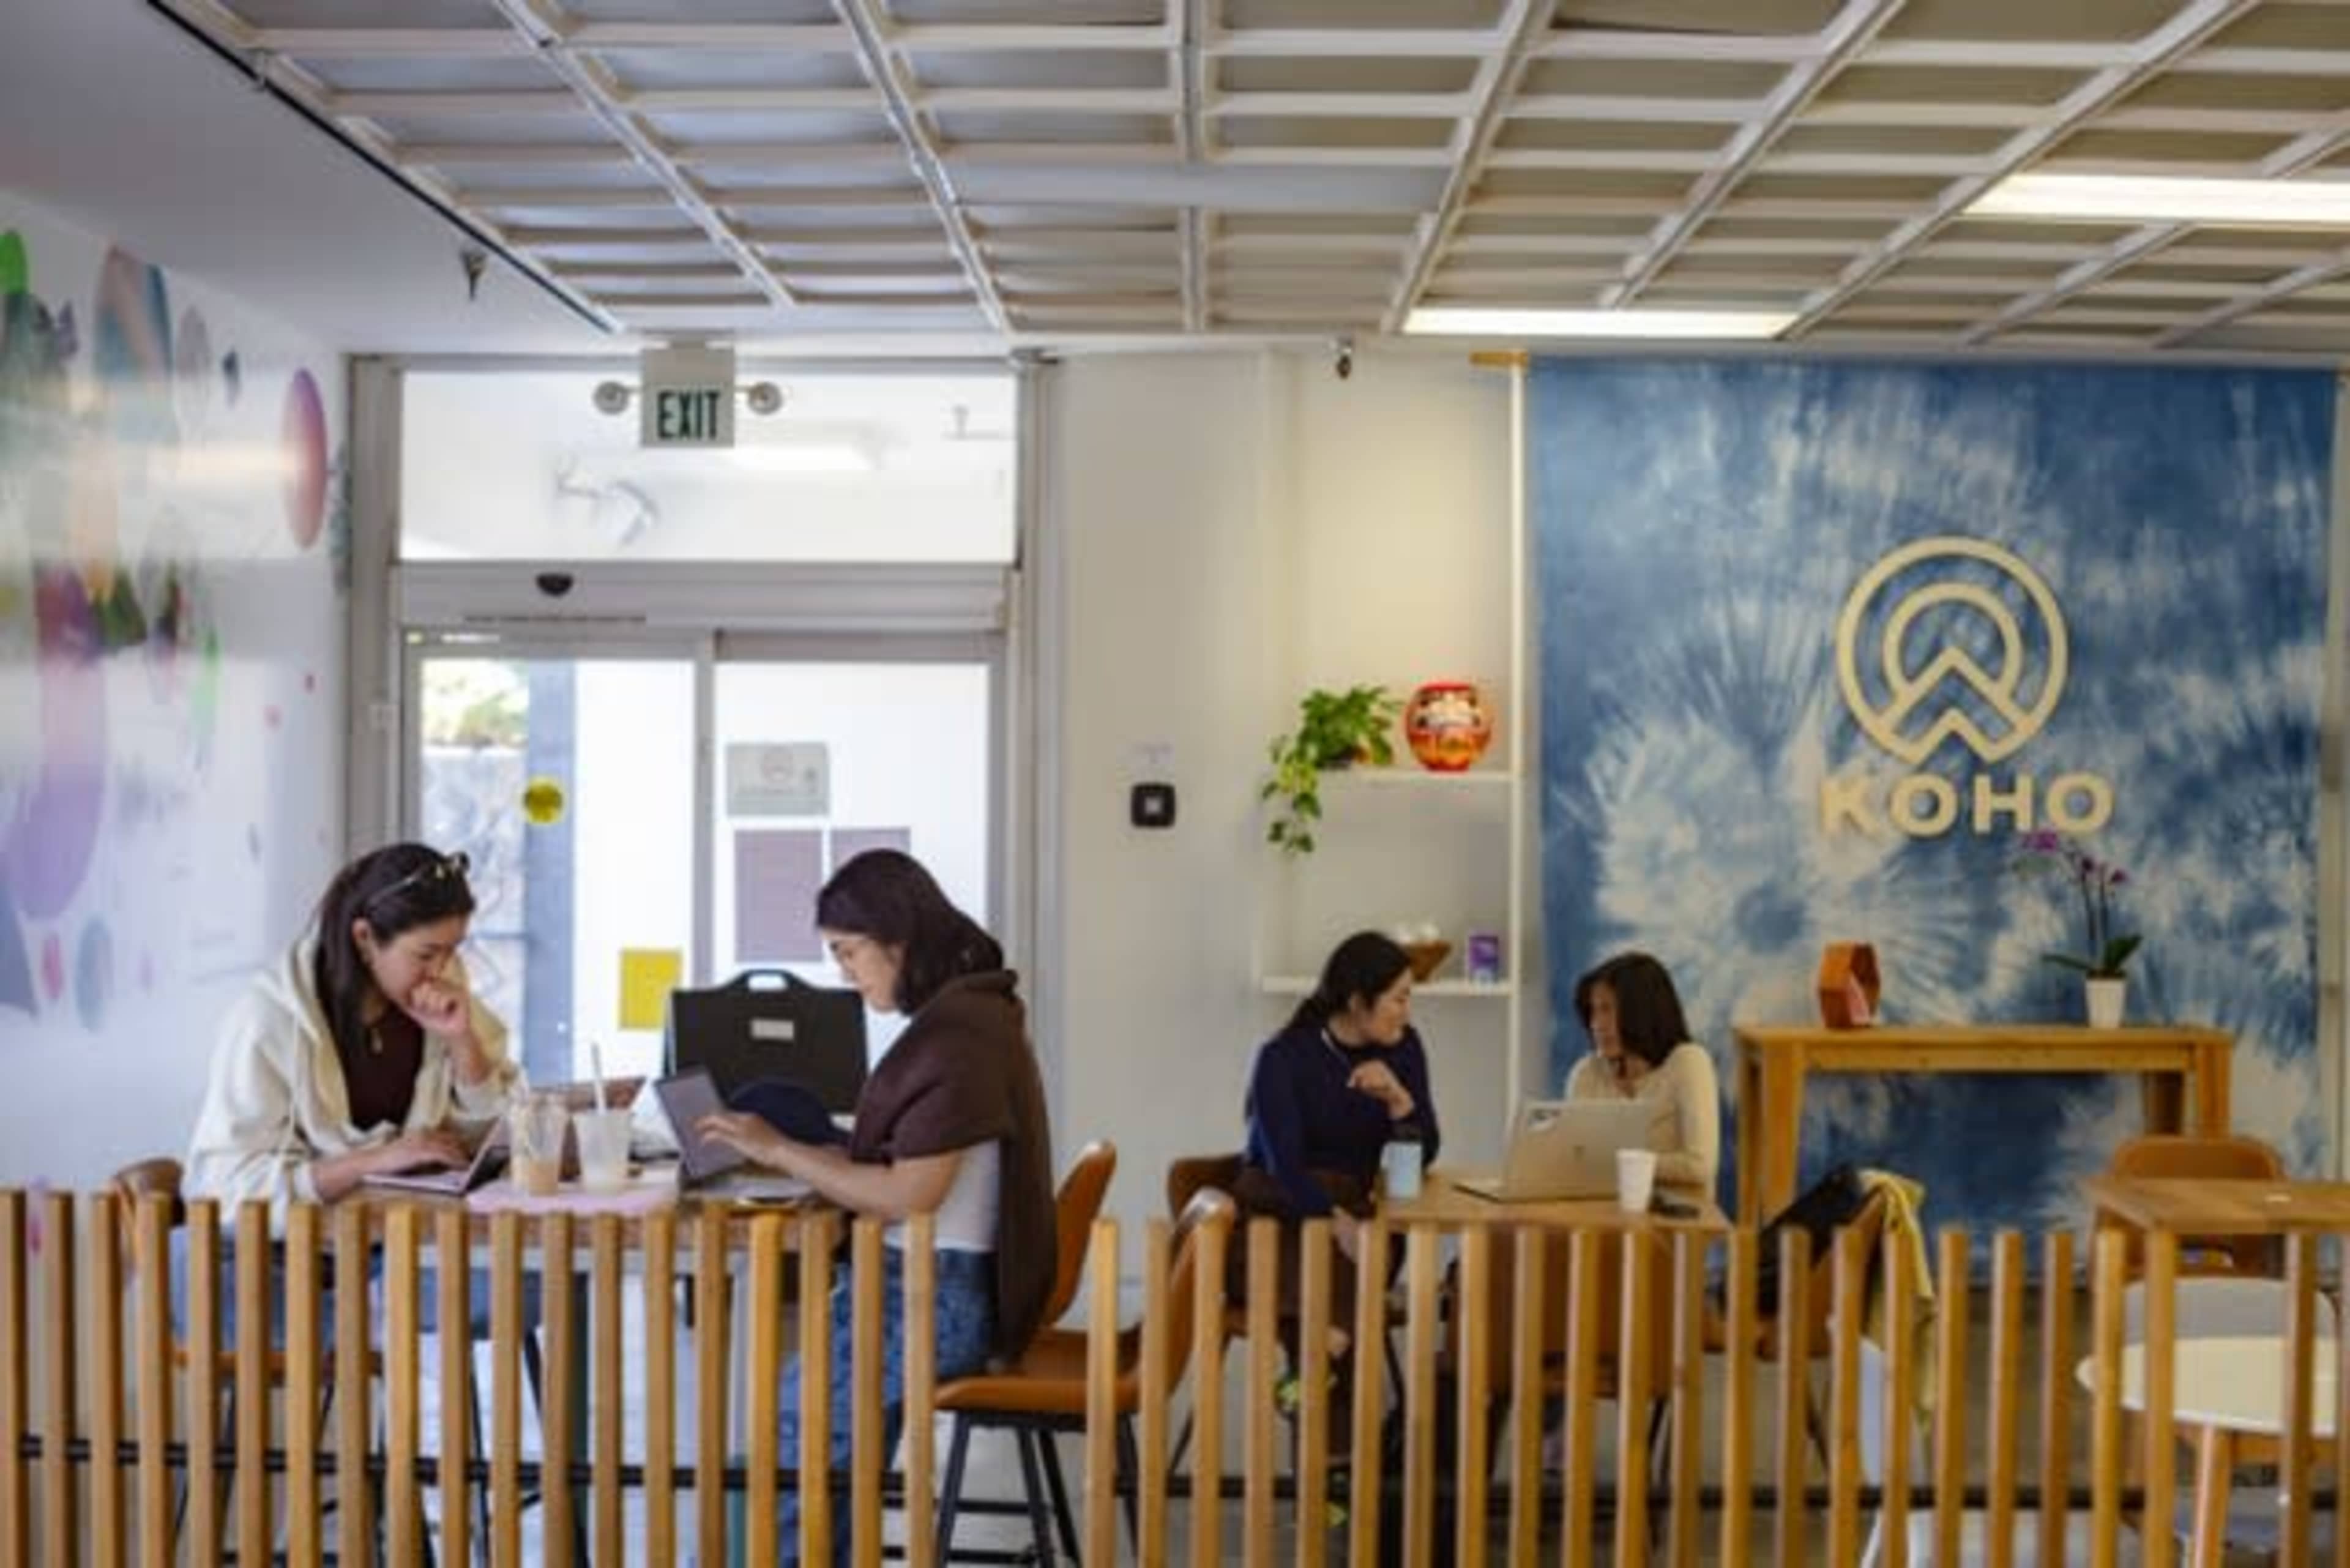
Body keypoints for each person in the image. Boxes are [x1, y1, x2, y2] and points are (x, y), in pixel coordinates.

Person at [693, 849, 1055, 1564]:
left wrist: (781, 1152)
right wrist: (805, 1153)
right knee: (817, 1419)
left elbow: (911, 1194)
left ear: (898, 940)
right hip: (932, 1285)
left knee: (795, 1418)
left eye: (849, 952)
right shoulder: (971, 1017)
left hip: (937, 1295)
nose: (846, 973)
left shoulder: (958, 1038)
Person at [184, 842, 520, 1218]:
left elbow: (486, 1145)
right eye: (426, 955)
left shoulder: (443, 1001)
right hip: (305, 1252)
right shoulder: (268, 1021)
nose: (441, 970)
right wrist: (376, 1161)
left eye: (452, 951)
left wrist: (462, 1040)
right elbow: (221, 1188)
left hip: (401, 1239)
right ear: (364, 938)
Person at [1229, 931, 1440, 1441]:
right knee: (1332, 1260)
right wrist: (1331, 1217)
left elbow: (1423, 1156)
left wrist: (1400, 1105)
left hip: (1363, 1213)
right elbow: (1283, 1166)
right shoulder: (1283, 1057)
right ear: (1357, 1002)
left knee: (1356, 1255)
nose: (1406, 1012)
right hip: (1277, 1214)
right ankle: (1338, 1472)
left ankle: (1312, 1373)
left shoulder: (1406, 1050)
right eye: (1398, 998)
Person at [1562, 950, 1720, 1190]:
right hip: (1603, 1218)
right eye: (1593, 1011)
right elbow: (1574, 1164)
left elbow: (1699, 1166)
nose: (1597, 1025)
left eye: (1607, 1010)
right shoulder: (1585, 1074)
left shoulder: (1689, 1062)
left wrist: (1622, 1164)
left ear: (1643, 1011)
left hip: (1679, 1222)